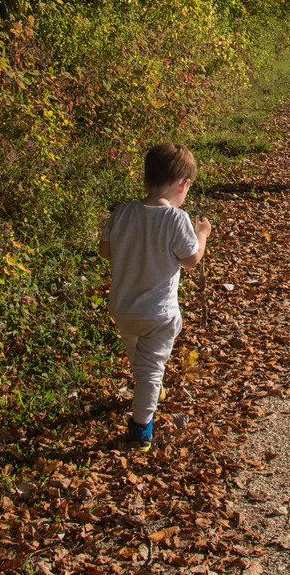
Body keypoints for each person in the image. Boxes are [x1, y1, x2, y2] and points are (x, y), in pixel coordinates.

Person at [99, 142, 212, 450]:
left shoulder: (123, 212)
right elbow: (191, 260)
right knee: (151, 367)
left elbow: (105, 250)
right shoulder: (176, 219)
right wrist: (201, 233)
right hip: (159, 313)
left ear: (146, 180)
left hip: (123, 308)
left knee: (139, 357)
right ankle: (140, 428)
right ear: (184, 185)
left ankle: (148, 392)